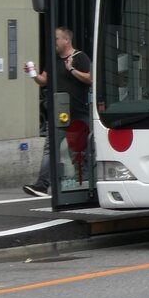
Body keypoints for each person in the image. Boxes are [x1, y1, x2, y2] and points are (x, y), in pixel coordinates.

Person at [23, 27, 92, 197]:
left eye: (57, 38)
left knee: (77, 150)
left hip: (78, 112)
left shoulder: (80, 57)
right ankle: (41, 185)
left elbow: (90, 79)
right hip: (60, 112)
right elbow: (43, 81)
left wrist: (71, 69)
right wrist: (33, 75)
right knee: (50, 148)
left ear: (66, 40)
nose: (54, 42)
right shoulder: (53, 59)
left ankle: (81, 183)